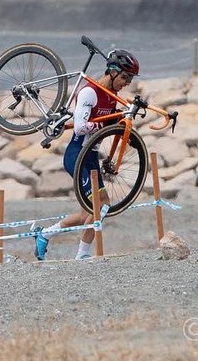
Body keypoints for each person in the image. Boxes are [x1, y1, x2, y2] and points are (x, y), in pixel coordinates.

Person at [34, 49, 139, 261]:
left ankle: (44, 234)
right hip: (77, 155)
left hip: (91, 156)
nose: (127, 82)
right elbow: (81, 127)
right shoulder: (89, 93)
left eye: (130, 79)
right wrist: (106, 122)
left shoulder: (112, 97)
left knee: (90, 213)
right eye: (126, 77)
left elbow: (109, 123)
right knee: (101, 205)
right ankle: (82, 255)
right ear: (112, 72)